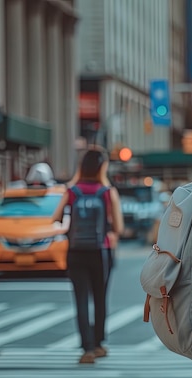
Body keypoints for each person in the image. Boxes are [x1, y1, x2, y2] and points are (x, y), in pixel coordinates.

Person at [53, 148, 123, 364]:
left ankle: (87, 349)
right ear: (102, 167)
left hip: (75, 252)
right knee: (100, 299)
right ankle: (99, 343)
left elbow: (55, 219)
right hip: (100, 252)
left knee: (81, 300)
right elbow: (118, 227)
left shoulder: (72, 191)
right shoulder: (107, 191)